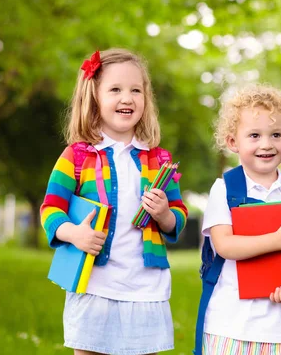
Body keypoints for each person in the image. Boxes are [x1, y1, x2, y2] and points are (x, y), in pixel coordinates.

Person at [40, 48, 188, 355]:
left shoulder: (158, 159)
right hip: (94, 285)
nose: (127, 98)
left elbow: (179, 215)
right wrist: (73, 233)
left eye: (136, 90)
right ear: (94, 97)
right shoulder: (77, 156)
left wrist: (165, 214)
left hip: (145, 288)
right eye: (116, 89)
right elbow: (51, 209)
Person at [195, 84, 281, 355]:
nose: (266, 144)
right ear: (233, 142)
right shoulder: (225, 189)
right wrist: (278, 240)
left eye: (276, 134)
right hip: (230, 326)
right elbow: (225, 245)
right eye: (254, 135)